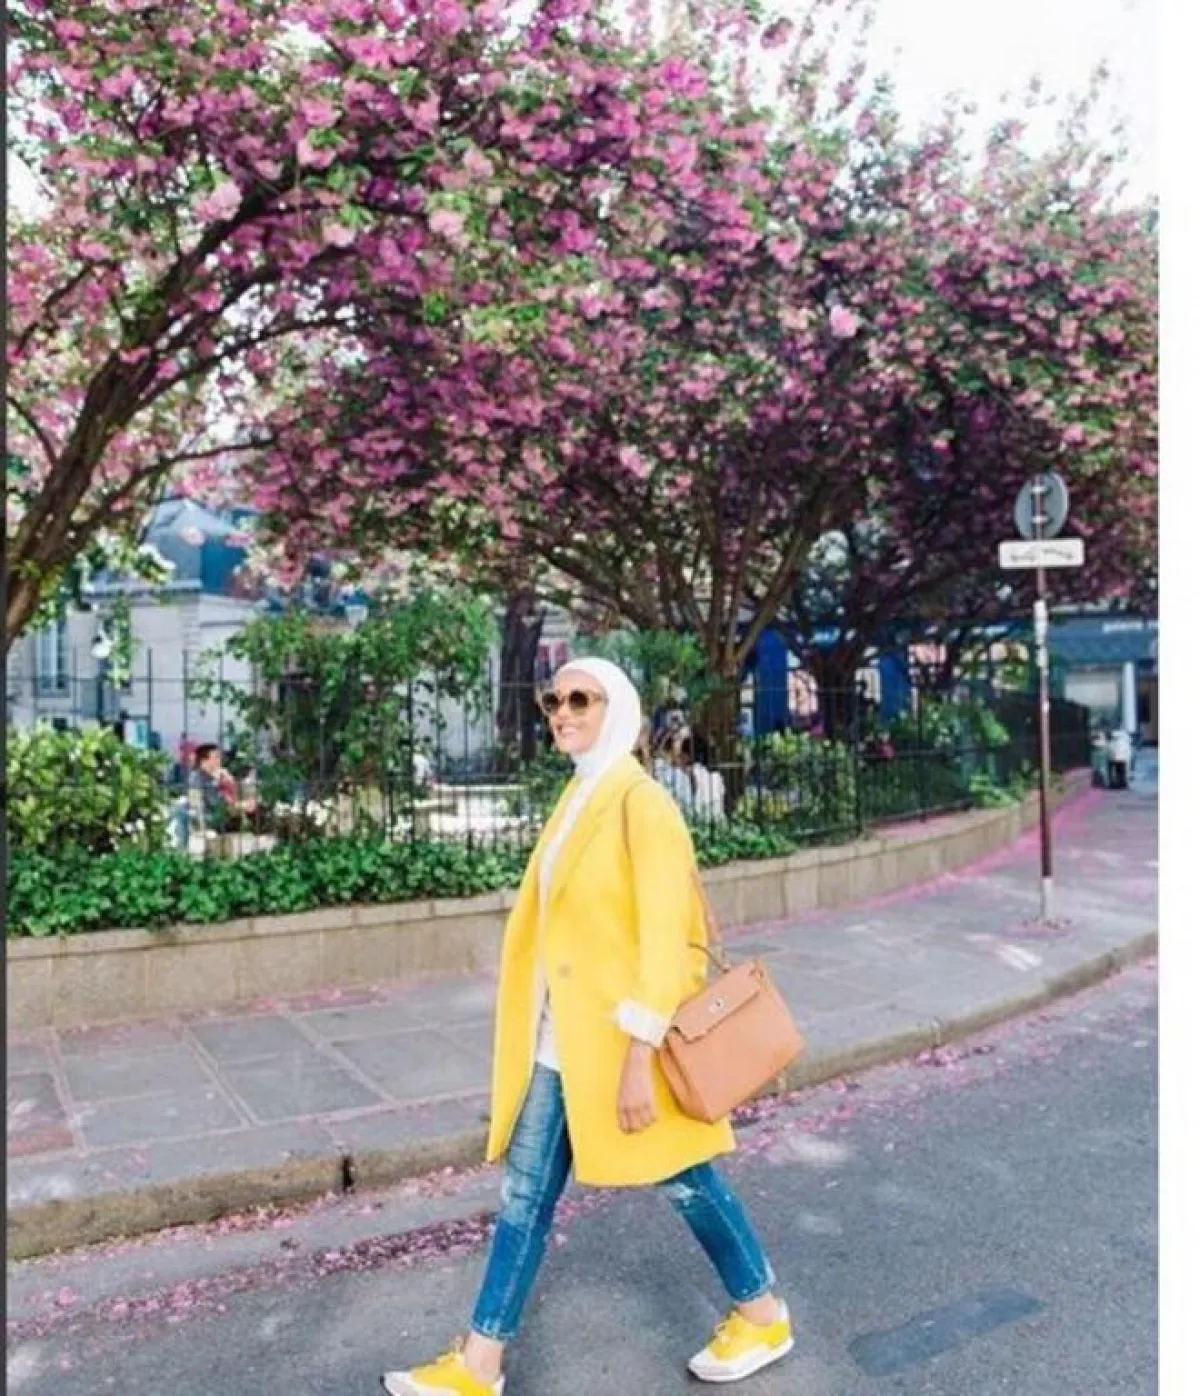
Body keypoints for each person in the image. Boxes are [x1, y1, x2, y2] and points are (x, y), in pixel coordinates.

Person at [382, 658, 791, 1395]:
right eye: (553, 700)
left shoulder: (640, 802)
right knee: (525, 1197)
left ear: (619, 710)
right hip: (558, 1042)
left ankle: (762, 1314)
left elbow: (668, 938)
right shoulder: (579, 794)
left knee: (684, 1177)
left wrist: (638, 1056)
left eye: (580, 698)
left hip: (622, 1041)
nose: (562, 711)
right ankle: (479, 1363)